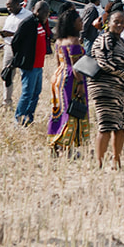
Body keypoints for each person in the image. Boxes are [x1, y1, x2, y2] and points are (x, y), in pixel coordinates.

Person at [87, 11, 124, 170]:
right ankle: (99, 164)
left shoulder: (123, 42)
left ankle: (116, 162)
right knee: (107, 125)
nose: (120, 25)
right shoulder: (104, 39)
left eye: (123, 22)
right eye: (116, 21)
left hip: (123, 89)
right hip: (105, 88)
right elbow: (104, 63)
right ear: (108, 22)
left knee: (121, 126)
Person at [46, 9, 90, 155]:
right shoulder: (74, 41)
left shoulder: (59, 41)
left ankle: (54, 141)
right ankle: (65, 145)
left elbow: (58, 62)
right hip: (72, 78)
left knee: (58, 110)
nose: (82, 23)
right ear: (72, 24)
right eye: (79, 21)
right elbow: (76, 66)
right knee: (72, 111)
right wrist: (81, 84)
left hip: (58, 76)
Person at [11, 2, 49, 125]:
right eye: (42, 12)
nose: (45, 15)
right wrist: (22, 56)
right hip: (29, 65)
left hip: (39, 65)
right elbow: (15, 41)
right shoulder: (28, 23)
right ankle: (18, 120)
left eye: (47, 13)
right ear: (34, 10)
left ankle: (28, 118)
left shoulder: (40, 23)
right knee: (27, 94)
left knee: (36, 93)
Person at [0, 0, 24, 109]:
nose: (9, 9)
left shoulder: (27, 15)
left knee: (25, 74)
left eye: (11, 7)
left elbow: (27, 34)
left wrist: (12, 34)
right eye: (7, 7)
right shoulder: (10, 17)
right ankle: (7, 101)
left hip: (22, 48)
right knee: (7, 74)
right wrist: (3, 34)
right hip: (9, 47)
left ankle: (25, 101)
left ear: (17, 4)